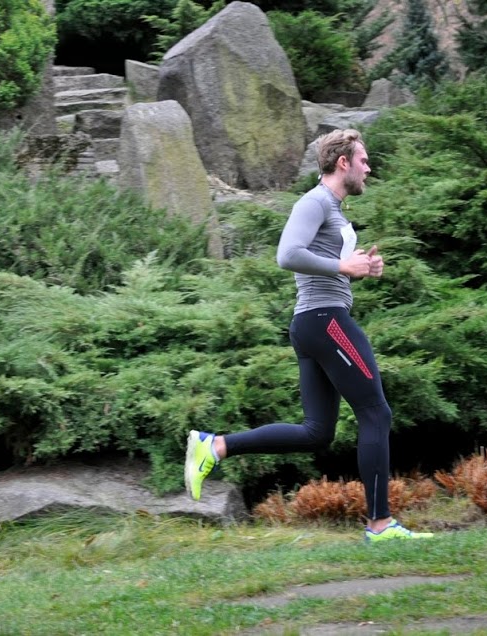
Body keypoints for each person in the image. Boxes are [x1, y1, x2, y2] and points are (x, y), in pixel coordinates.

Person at [184, 129, 433, 543]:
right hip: (325, 320)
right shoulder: (315, 201)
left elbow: (326, 262)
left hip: (315, 322)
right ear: (343, 163)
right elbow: (287, 254)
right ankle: (380, 525)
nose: (369, 168)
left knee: (317, 432)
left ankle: (215, 447)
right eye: (363, 160)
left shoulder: (333, 208)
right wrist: (343, 268)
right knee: (376, 413)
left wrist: (360, 268)